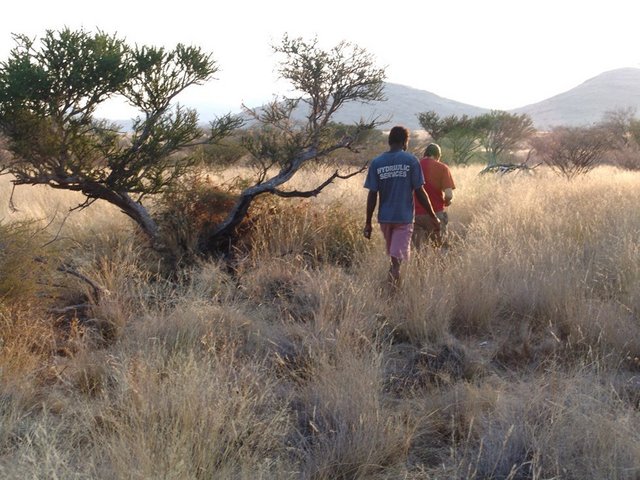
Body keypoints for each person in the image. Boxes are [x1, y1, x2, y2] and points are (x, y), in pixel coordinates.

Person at [363, 126, 440, 287]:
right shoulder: (411, 161)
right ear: (405, 142)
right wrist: (433, 216)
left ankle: (391, 286)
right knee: (396, 262)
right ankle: (392, 293)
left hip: (385, 219)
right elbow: (420, 192)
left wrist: (368, 222)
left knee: (394, 257)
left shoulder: (377, 162)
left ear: (389, 141)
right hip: (404, 219)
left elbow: (372, 195)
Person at [413, 143, 456, 248]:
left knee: (419, 252)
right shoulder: (442, 168)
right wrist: (447, 202)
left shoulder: (414, 167)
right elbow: (449, 195)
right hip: (435, 213)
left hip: (415, 215)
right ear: (438, 155)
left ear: (425, 154)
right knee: (440, 248)